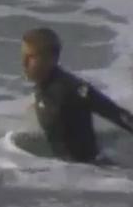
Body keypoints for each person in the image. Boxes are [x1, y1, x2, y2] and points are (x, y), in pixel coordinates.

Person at [22, 27, 133, 163]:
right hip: (66, 173)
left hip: (95, 173)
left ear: (51, 59)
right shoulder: (42, 88)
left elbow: (118, 114)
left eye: (31, 57)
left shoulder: (73, 88)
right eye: (23, 56)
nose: (24, 63)